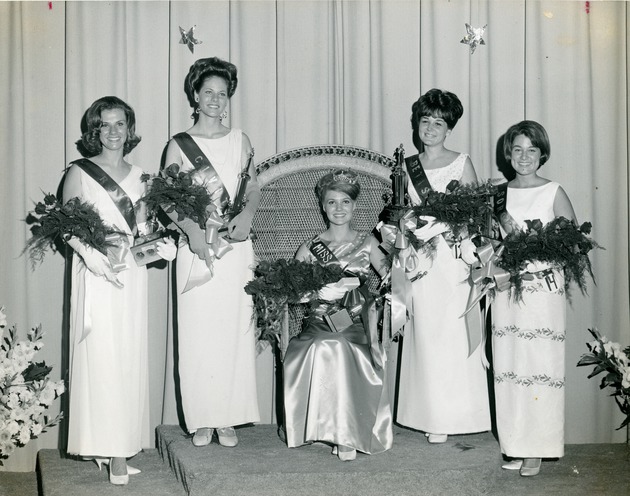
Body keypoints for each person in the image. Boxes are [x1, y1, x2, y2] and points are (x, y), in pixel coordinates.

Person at [64, 96, 176, 485]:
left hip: (130, 275)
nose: (113, 132)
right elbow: (66, 225)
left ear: (130, 130)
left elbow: (144, 231)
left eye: (120, 124)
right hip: (96, 272)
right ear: (94, 131)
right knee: (101, 358)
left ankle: (121, 444)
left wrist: (161, 247)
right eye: (105, 125)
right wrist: (89, 255)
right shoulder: (79, 172)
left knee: (127, 358)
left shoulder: (142, 176)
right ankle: (110, 450)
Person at [163, 57, 260, 448]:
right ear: (196, 96)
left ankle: (228, 418)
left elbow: (253, 187)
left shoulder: (242, 140)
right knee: (199, 332)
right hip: (197, 248)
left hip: (235, 245)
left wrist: (249, 215)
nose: (216, 100)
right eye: (208, 93)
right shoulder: (178, 145)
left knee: (234, 329)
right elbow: (166, 201)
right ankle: (203, 419)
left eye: (222, 93)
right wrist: (190, 232)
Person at [396, 89, 491, 443]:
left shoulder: (461, 161)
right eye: (425, 121)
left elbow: (478, 213)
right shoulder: (407, 167)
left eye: (439, 122)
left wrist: (466, 246)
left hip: (453, 257)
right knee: (427, 335)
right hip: (422, 259)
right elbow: (402, 212)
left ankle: (463, 414)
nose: (431, 128)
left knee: (452, 333)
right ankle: (432, 416)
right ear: (416, 124)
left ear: (449, 128)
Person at [283, 170, 393, 461]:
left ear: (354, 206)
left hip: (356, 321)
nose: (339, 209)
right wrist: (317, 293)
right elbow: (294, 294)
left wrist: (376, 301)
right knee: (323, 345)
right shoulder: (310, 247)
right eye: (332, 202)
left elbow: (391, 280)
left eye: (345, 202)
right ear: (323, 206)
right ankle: (328, 430)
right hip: (319, 320)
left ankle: (346, 436)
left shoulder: (368, 243)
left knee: (342, 346)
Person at [492, 120, 577, 477]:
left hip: (542, 290)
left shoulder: (553, 191)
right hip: (506, 289)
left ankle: (536, 448)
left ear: (542, 154)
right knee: (508, 367)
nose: (524, 157)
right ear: (508, 155)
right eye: (517, 150)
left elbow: (572, 243)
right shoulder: (497, 195)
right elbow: (486, 243)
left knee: (538, 366)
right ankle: (513, 444)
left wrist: (533, 262)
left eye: (531, 150)